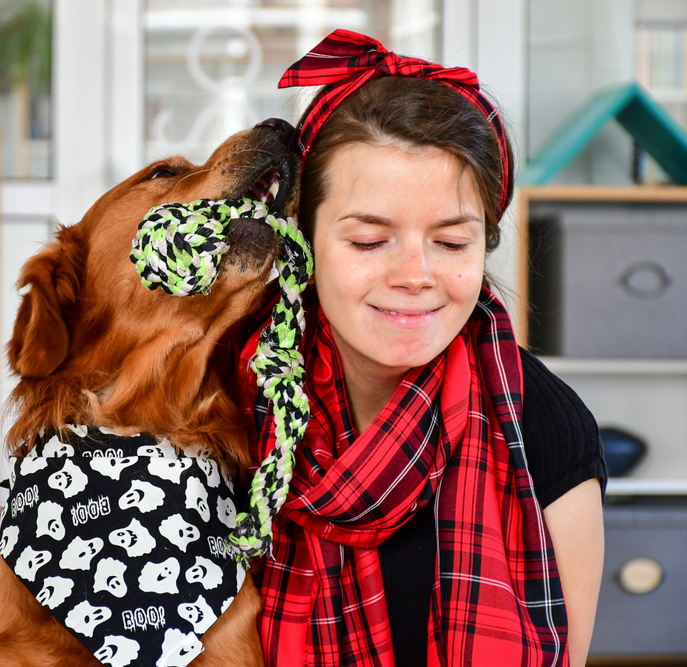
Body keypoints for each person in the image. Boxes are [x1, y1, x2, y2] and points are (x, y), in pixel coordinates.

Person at [236, 31, 606, 667]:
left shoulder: (545, 427)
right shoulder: (228, 401)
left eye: (452, 244)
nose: (415, 275)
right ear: (305, 239)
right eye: (369, 241)